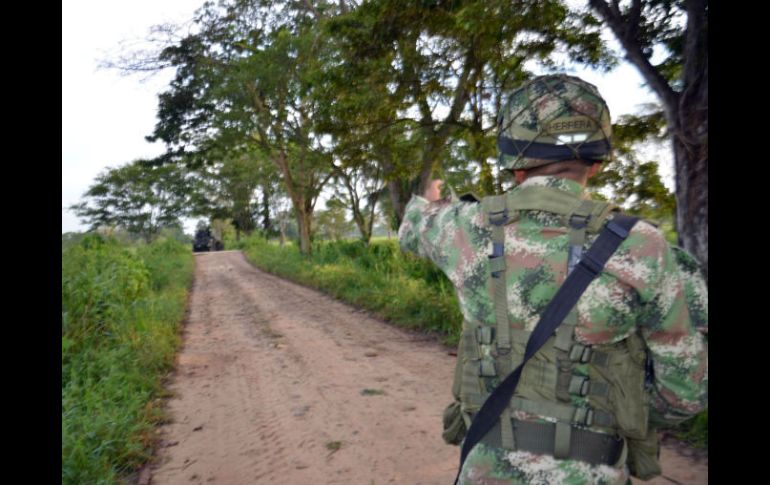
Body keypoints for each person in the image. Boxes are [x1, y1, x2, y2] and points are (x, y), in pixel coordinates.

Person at [397, 74, 707, 484]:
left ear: (515, 165)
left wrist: (433, 197)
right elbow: (685, 392)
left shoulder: (462, 227)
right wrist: (619, 405)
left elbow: (412, 225)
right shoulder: (642, 246)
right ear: (596, 162)